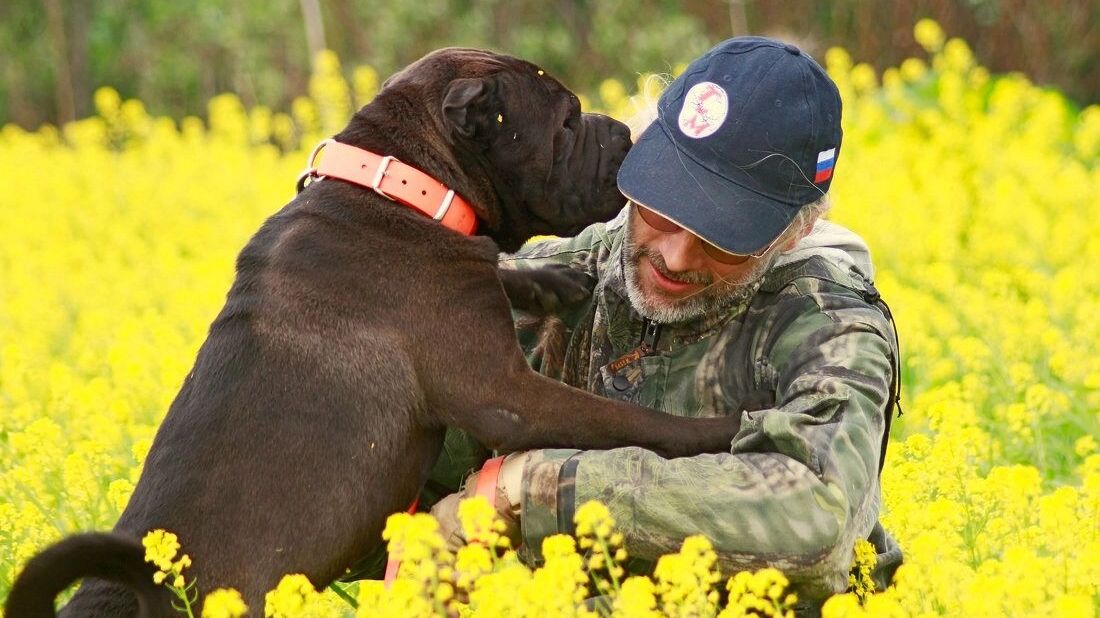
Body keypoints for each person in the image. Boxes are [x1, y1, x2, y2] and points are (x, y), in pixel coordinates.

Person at [425, 36, 903, 611]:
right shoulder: (561, 278)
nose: (675, 257)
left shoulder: (830, 324)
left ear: (794, 233)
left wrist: (538, 486)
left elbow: (816, 514)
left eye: (723, 241)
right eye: (661, 209)